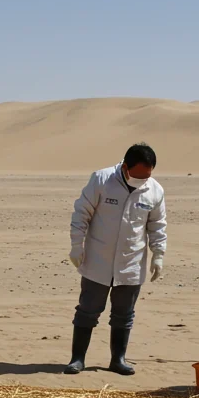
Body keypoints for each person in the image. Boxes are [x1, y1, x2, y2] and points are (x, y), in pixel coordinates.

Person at [65, 142, 168, 375]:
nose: (142, 181)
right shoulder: (101, 180)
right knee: (88, 311)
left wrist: (158, 255)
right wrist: (76, 245)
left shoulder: (155, 190)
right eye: (137, 176)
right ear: (124, 167)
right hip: (98, 261)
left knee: (124, 315)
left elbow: (157, 226)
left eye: (147, 176)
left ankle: (118, 360)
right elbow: (81, 212)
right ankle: (77, 359)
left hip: (131, 263)